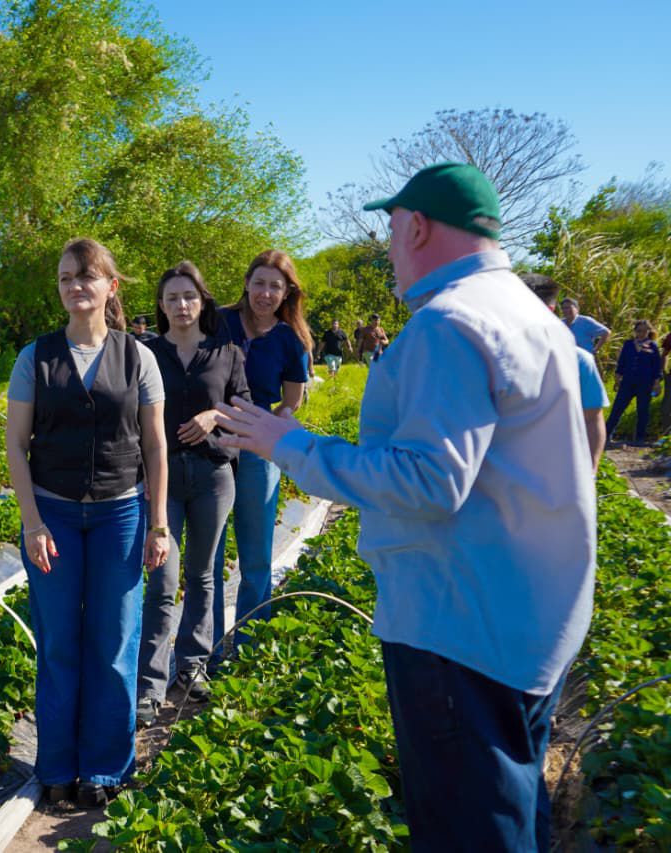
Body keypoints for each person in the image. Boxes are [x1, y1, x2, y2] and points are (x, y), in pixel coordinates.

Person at [216, 162, 594, 851]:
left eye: (391, 229)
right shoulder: (527, 315)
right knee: (510, 813)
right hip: (529, 618)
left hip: (461, 630)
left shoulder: (449, 324)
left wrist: (292, 443)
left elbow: (427, 481)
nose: (389, 246)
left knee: (468, 830)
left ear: (416, 226)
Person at [5, 237, 170, 808]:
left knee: (113, 641)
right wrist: (31, 522)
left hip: (121, 513)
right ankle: (55, 766)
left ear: (110, 287)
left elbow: (154, 444)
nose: (76, 286)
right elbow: (14, 444)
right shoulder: (35, 357)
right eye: (66, 277)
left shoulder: (138, 356)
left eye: (87, 276)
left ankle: (104, 766)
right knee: (58, 643)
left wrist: (158, 522)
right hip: (51, 511)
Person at [135, 262, 248, 728]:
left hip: (212, 474)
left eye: (189, 297)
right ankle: (149, 683)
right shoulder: (146, 354)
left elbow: (243, 410)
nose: (181, 306)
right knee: (162, 580)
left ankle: (193, 665)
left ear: (203, 302)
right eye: (172, 298)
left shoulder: (227, 352)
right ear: (160, 306)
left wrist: (214, 417)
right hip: (160, 481)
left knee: (203, 576)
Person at [211, 250, 311, 658]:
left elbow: (292, 401)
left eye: (275, 285)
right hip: (211, 443)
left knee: (255, 552)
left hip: (257, 448)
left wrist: (279, 422)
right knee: (209, 554)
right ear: (247, 283)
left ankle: (251, 646)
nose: (265, 293)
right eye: (259, 283)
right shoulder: (219, 321)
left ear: (287, 291)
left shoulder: (291, 340)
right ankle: (209, 647)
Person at [521, 272, 608, 471]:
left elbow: (592, 418)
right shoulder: (490, 355)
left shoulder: (580, 359)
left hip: (560, 469)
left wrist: (591, 470)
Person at [606, 319, 664, 445]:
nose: (641, 333)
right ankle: (605, 436)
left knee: (643, 411)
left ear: (648, 331)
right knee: (617, 409)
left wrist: (657, 383)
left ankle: (639, 439)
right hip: (627, 382)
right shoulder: (628, 344)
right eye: (639, 330)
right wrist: (617, 377)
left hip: (645, 383)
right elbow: (621, 363)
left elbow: (657, 367)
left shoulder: (652, 346)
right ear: (634, 331)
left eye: (644, 331)